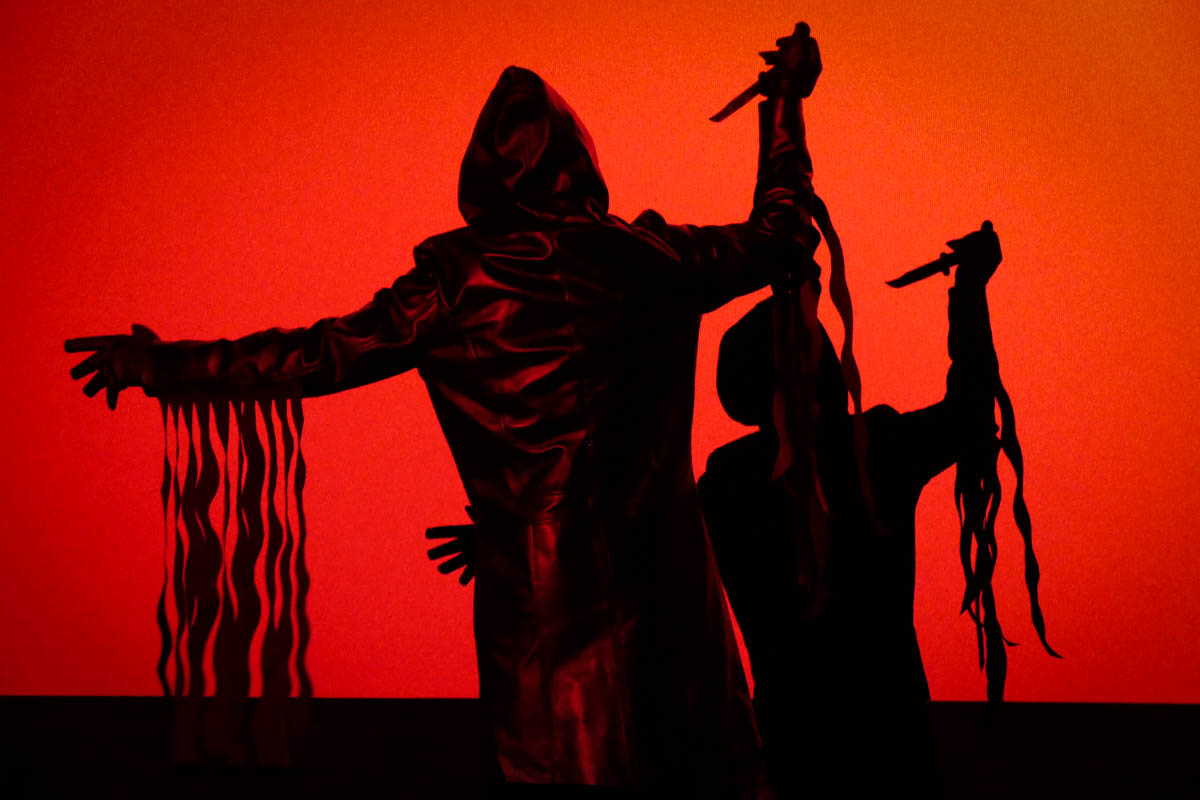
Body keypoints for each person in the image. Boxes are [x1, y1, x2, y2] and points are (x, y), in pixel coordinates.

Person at [66, 24, 824, 795]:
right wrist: (783, 109)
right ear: (579, 160)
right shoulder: (658, 259)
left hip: (539, 594)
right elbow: (783, 233)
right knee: (691, 764)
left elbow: (318, 354)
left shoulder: (455, 284)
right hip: (667, 593)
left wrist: (163, 364)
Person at [698, 224, 1015, 796]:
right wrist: (969, 292)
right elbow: (971, 413)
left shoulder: (723, 487)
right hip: (891, 743)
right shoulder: (874, 450)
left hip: (791, 743)